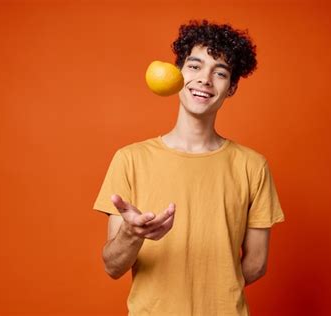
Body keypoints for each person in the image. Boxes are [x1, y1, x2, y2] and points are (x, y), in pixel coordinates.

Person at [93, 19, 285, 316]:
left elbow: (257, 264)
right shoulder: (130, 159)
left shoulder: (253, 166)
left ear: (231, 87)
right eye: (194, 67)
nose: (205, 80)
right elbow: (113, 267)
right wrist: (133, 234)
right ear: (178, 74)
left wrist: (216, 295)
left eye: (219, 72)